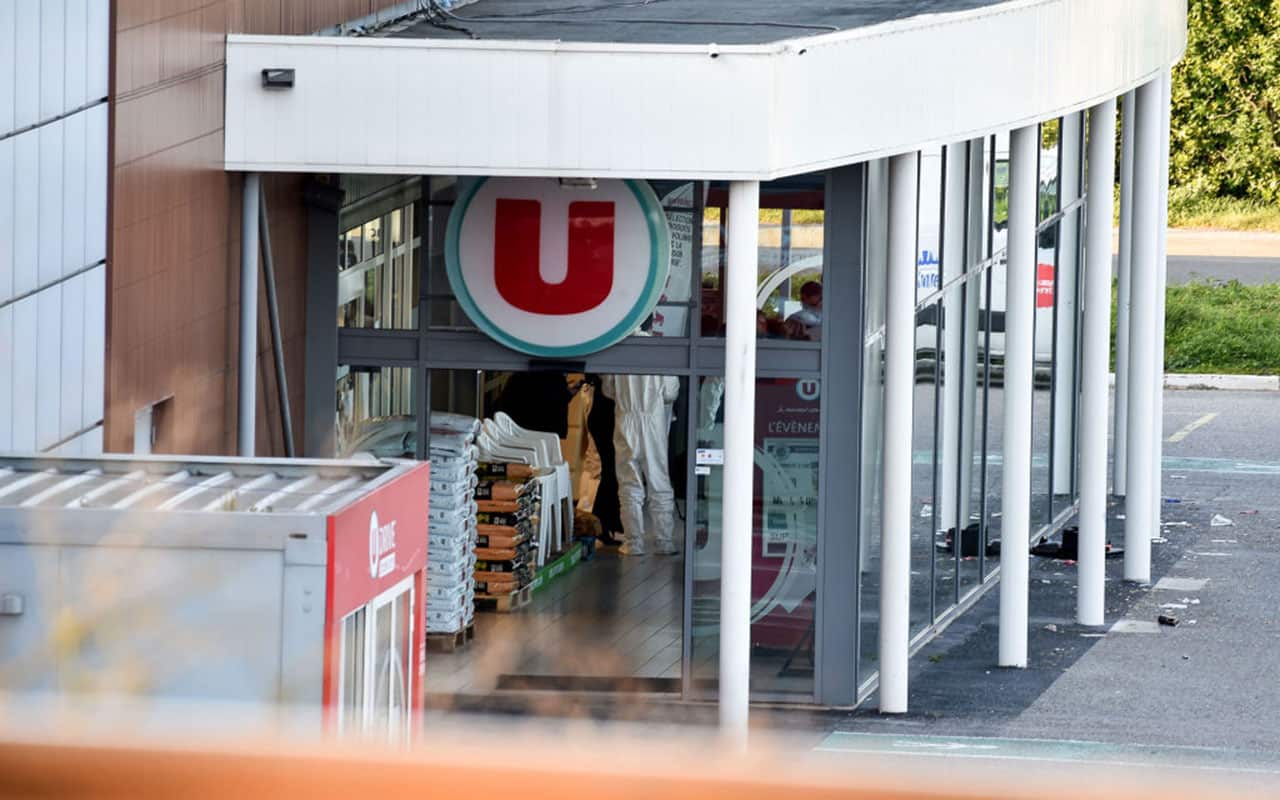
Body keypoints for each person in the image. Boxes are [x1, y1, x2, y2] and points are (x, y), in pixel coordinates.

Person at [602, 372, 681, 556]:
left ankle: (633, 542)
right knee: (659, 480)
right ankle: (664, 541)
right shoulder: (662, 351)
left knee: (628, 482)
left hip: (624, 417)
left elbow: (608, 388)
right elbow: (671, 392)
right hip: (653, 419)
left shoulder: (619, 350)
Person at [584, 374, 624, 546]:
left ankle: (606, 525)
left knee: (611, 471)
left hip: (602, 417)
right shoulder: (611, 371)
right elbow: (609, 390)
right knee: (611, 472)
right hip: (605, 419)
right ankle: (603, 524)